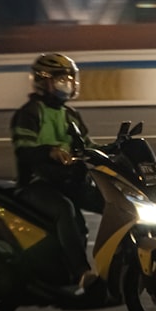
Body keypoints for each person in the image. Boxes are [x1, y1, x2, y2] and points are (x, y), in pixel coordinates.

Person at [11, 53, 103, 295]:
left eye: (69, 79)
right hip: (36, 184)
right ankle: (83, 273)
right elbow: (23, 150)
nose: (67, 84)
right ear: (44, 81)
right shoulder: (29, 113)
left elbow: (87, 145)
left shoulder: (70, 115)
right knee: (66, 210)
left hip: (68, 180)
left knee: (112, 201)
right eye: (61, 79)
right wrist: (49, 151)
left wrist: (116, 153)